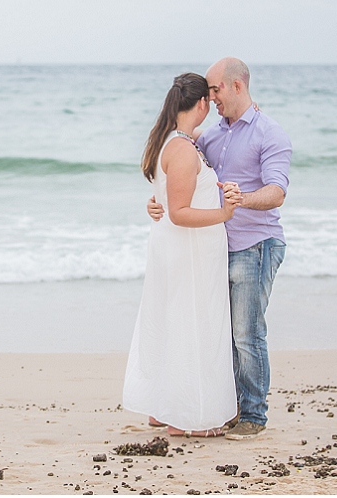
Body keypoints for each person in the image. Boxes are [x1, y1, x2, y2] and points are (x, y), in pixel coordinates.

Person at [148, 57, 292, 440]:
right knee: (222, 333)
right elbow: (180, 167)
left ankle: (254, 415)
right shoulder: (211, 136)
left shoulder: (270, 134)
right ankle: (229, 407)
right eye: (207, 92)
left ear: (237, 87)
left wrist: (241, 200)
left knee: (247, 334)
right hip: (218, 247)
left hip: (256, 244)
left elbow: (277, 191)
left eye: (216, 90)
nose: (210, 98)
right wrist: (157, 201)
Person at [123, 72, 242, 438]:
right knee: (192, 324)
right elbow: (180, 212)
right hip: (187, 249)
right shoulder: (182, 149)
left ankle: (163, 408)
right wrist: (224, 214)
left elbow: (167, 199)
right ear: (202, 103)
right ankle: (184, 418)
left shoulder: (173, 141)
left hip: (177, 247)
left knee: (174, 322)